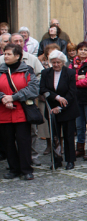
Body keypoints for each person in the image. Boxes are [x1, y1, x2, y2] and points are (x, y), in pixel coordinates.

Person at [0, 43, 40, 180]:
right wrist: (4, 99)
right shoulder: (0, 70)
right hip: (4, 112)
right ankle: (13, 169)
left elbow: (33, 89)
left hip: (21, 112)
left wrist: (14, 97)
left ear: (17, 56)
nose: (5, 56)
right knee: (8, 142)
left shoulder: (27, 70)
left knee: (24, 142)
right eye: (4, 53)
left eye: (8, 54)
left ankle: (26, 169)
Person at [40, 50, 80, 170]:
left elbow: (72, 92)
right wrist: (56, 98)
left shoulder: (70, 73)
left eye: (58, 62)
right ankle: (56, 160)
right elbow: (42, 89)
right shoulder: (45, 72)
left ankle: (70, 160)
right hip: (52, 108)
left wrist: (61, 106)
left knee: (68, 136)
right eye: (53, 62)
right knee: (55, 136)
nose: (56, 65)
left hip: (68, 108)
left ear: (63, 62)